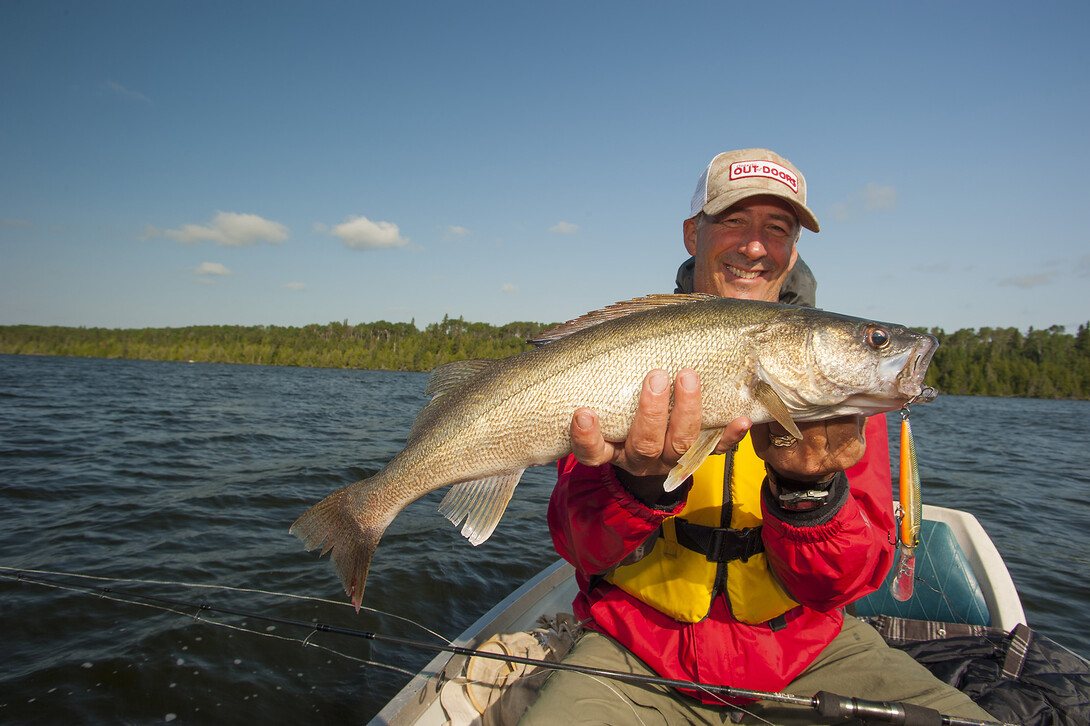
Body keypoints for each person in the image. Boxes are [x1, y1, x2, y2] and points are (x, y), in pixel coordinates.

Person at [520, 149, 995, 725]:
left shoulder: (845, 405)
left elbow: (839, 585)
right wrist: (636, 488)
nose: (754, 246)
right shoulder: (632, 353)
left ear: (792, 250)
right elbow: (581, 546)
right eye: (734, 222)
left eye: (778, 229)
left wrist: (810, 493)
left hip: (808, 656)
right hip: (636, 654)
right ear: (694, 234)